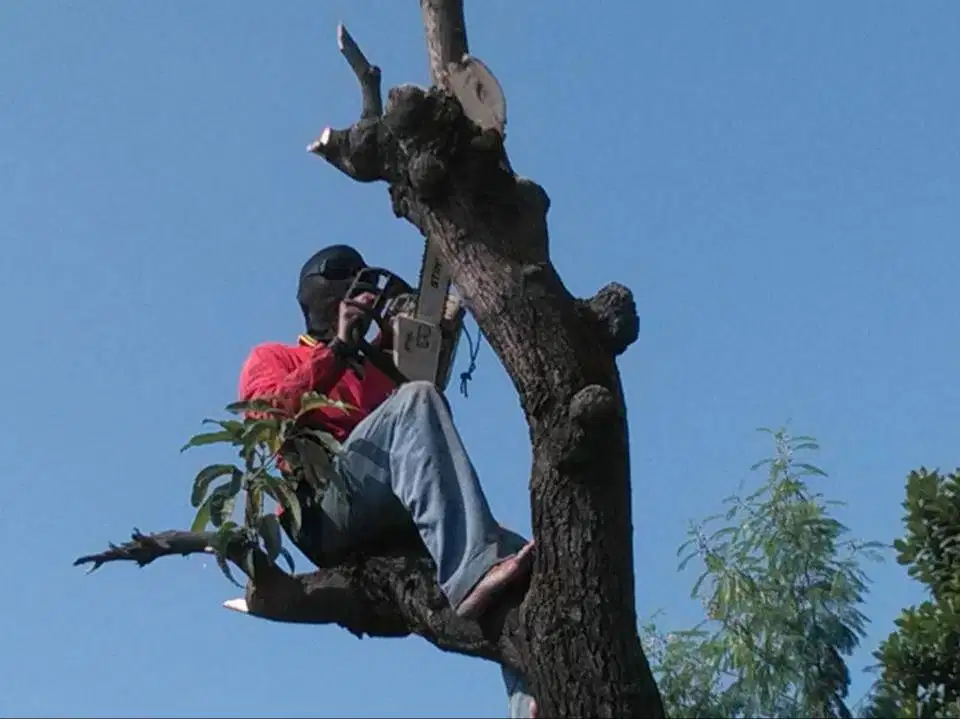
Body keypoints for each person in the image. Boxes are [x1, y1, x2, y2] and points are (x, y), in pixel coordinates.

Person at [237, 244, 538, 719]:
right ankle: (472, 573)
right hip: (322, 506)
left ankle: (531, 701)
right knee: (415, 400)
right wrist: (337, 350)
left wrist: (419, 347)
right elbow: (267, 414)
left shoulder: (380, 376)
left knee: (523, 558)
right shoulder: (273, 357)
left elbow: (419, 442)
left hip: (383, 508)